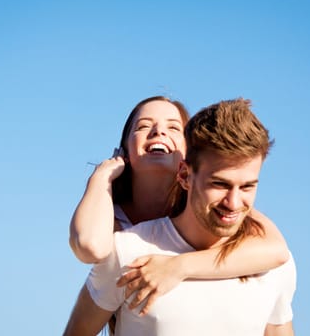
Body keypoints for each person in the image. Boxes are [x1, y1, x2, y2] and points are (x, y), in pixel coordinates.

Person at [64, 98, 296, 335]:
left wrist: (179, 266)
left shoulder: (256, 246)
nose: (233, 202)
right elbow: (89, 245)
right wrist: (102, 177)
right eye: (144, 125)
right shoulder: (125, 246)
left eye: (174, 127)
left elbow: (279, 253)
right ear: (185, 175)